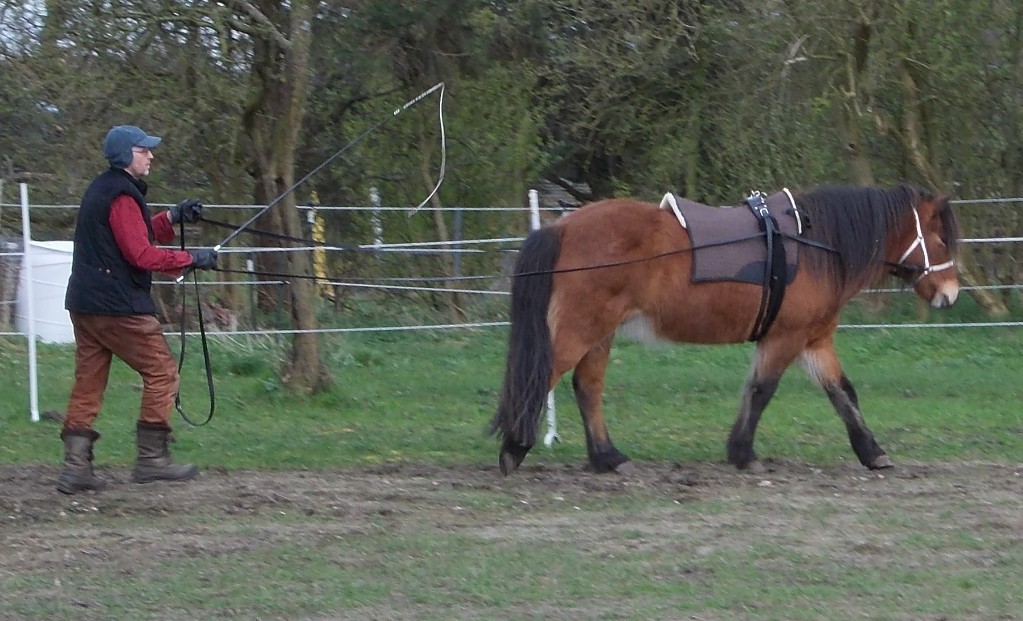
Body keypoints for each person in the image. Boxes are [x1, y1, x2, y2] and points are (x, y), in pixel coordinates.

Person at [57, 124, 219, 495]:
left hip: (85, 303)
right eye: (143, 150)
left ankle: (76, 468)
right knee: (162, 373)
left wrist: (172, 217)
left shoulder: (103, 188)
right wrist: (191, 257)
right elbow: (140, 253)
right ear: (126, 154)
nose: (151, 155)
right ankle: (151, 460)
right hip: (117, 306)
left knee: (88, 383)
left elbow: (133, 234)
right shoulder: (121, 196)